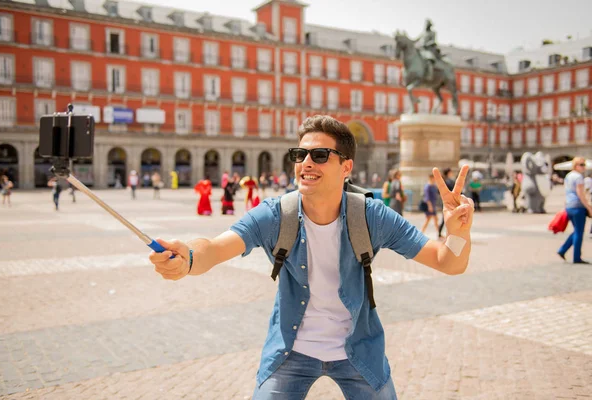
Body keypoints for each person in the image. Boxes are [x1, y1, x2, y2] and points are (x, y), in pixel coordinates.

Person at [149, 115, 474, 399]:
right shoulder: (276, 215)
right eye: (299, 154)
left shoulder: (371, 216)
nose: (306, 163)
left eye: (320, 155)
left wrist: (458, 232)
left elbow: (448, 262)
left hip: (358, 351)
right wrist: (188, 258)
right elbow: (217, 248)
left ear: (346, 166)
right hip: (291, 352)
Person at [557, 157, 592, 264]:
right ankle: (577, 257)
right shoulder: (578, 177)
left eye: (584, 165)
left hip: (569, 206)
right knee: (579, 232)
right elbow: (580, 194)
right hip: (578, 206)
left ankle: (562, 250)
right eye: (581, 165)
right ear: (575, 165)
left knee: (576, 230)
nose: (584, 167)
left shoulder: (568, 176)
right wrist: (589, 207)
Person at [438, 168, 456, 237]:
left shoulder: (445, 181)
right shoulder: (448, 181)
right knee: (448, 218)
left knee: (446, 217)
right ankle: (447, 233)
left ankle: (441, 232)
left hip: (446, 201)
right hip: (449, 201)